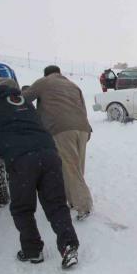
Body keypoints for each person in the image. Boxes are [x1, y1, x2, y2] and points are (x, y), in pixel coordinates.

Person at [0, 85, 79, 269]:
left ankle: (32, 251)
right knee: (56, 204)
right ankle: (68, 246)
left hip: (21, 159)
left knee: (22, 208)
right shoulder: (26, 103)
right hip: (49, 154)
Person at [22, 66, 93, 221]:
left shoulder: (44, 82)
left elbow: (25, 98)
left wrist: (22, 92)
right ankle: (74, 201)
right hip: (82, 128)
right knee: (76, 167)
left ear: (46, 74)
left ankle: (83, 205)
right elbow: (83, 107)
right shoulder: (73, 85)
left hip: (61, 128)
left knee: (69, 168)